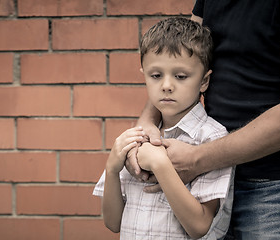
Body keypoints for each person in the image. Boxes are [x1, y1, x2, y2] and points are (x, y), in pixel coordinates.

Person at [126, 1, 280, 239]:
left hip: (276, 188)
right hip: (210, 177)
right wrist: (146, 124)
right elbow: (183, 55)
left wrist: (196, 159)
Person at [93, 18, 234, 239]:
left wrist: (160, 164)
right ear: (144, 76)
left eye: (180, 76)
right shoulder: (137, 138)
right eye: (156, 75)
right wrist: (111, 168)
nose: (167, 85)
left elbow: (199, 227)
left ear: (204, 81)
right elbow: (112, 223)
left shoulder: (212, 138)